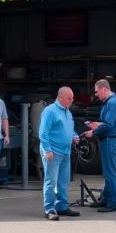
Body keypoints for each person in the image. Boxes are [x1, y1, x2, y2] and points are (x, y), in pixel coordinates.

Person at [81, 79, 116, 212]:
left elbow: (108, 125)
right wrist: (96, 124)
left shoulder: (112, 103)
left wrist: (93, 132)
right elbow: (107, 123)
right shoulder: (110, 102)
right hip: (109, 140)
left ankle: (113, 203)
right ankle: (106, 199)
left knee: (110, 173)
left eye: (97, 92)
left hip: (110, 141)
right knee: (107, 172)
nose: (96, 95)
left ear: (104, 89)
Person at [39, 87, 81, 220]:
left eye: (72, 98)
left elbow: (69, 129)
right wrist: (48, 150)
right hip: (53, 151)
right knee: (51, 181)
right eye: (69, 98)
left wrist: (74, 136)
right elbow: (43, 132)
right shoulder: (50, 111)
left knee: (63, 181)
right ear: (61, 97)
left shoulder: (67, 112)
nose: (72, 100)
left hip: (65, 152)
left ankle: (62, 206)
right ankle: (49, 209)